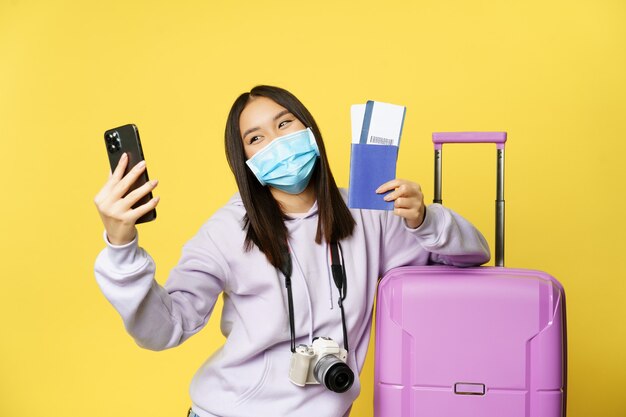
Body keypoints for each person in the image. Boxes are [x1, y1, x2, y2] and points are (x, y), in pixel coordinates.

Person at [93, 85, 490, 417]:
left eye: (285, 123)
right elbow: (164, 330)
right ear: (246, 160)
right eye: (256, 138)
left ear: (310, 132)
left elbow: (472, 255)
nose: (277, 141)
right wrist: (121, 247)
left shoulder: (370, 215)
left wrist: (425, 219)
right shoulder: (227, 231)